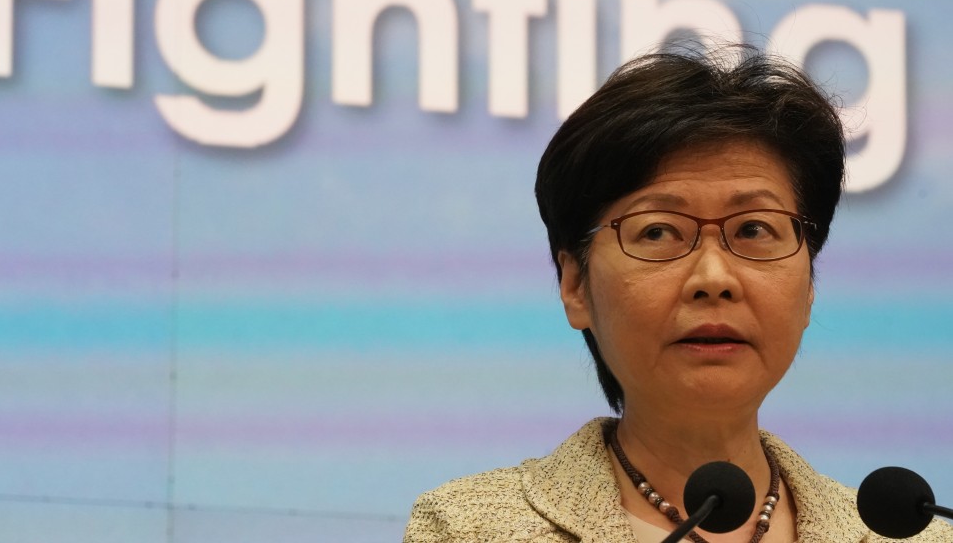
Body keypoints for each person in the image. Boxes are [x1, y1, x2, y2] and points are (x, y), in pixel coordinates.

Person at [403, 47, 952, 542]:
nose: (714, 277)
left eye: (754, 230)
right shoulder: (469, 528)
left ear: (810, 285)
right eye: (658, 232)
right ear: (575, 285)